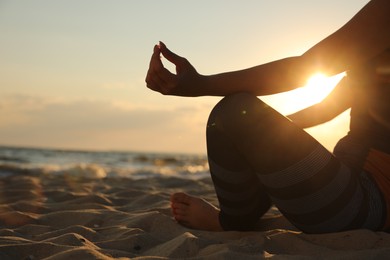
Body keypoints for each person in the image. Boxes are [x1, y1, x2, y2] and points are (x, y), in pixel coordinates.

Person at [145, 0, 390, 234]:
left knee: (232, 112)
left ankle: (229, 222)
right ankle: (253, 212)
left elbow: (305, 68)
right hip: (349, 186)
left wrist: (201, 85)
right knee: (242, 121)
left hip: (367, 203)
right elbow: (325, 109)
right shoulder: (374, 73)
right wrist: (261, 140)